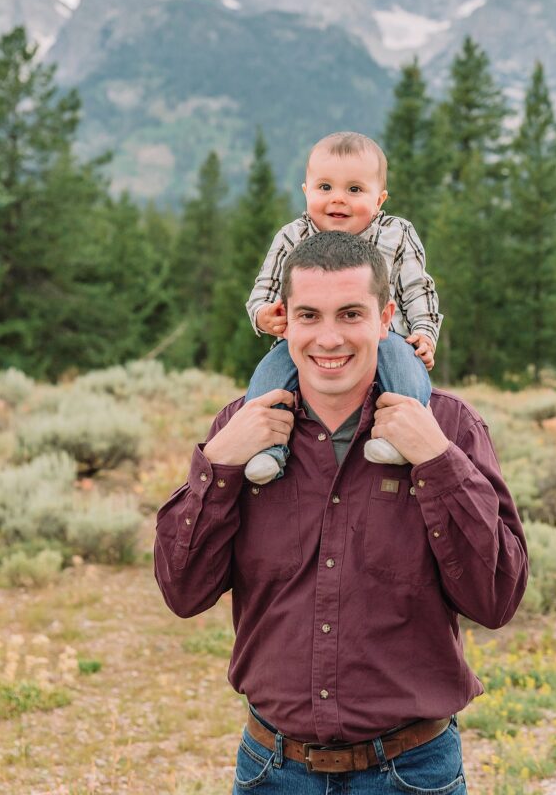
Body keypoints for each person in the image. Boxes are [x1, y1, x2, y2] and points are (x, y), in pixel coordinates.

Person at [154, 231, 528, 794]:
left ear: (385, 318)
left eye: (350, 313)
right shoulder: (243, 430)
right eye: (309, 315)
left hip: (413, 773)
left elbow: (497, 598)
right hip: (271, 772)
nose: (328, 338)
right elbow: (182, 592)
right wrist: (220, 463)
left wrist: (438, 461)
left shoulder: (448, 427)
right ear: (287, 322)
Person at [242, 130, 442, 484]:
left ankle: (398, 434)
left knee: (406, 370)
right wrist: (264, 314)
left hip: (386, 337)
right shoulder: (291, 236)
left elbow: (417, 289)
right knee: (268, 377)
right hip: (299, 342)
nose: (338, 200)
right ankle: (267, 449)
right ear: (306, 191)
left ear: (379, 199)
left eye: (354, 189)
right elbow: (265, 287)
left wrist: (424, 333)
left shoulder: (397, 234)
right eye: (325, 188)